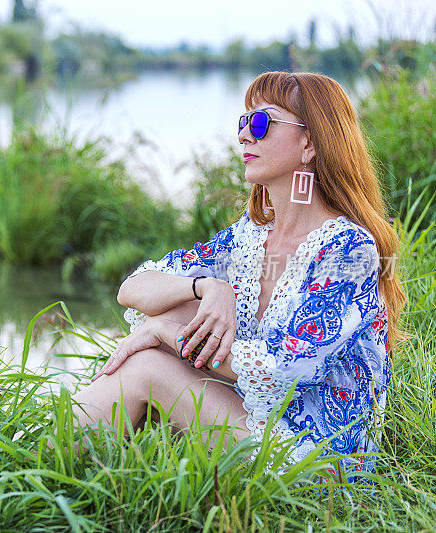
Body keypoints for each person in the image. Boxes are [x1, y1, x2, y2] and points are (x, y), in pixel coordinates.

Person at [70, 71, 405, 480]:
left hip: (320, 459)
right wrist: (207, 286)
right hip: (256, 422)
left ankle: (41, 464)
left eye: (262, 123)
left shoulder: (347, 249)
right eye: (244, 123)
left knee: (150, 365)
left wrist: (165, 334)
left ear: (311, 143)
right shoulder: (247, 238)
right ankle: (58, 463)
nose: (246, 136)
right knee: (176, 316)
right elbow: (134, 286)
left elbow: (288, 367)